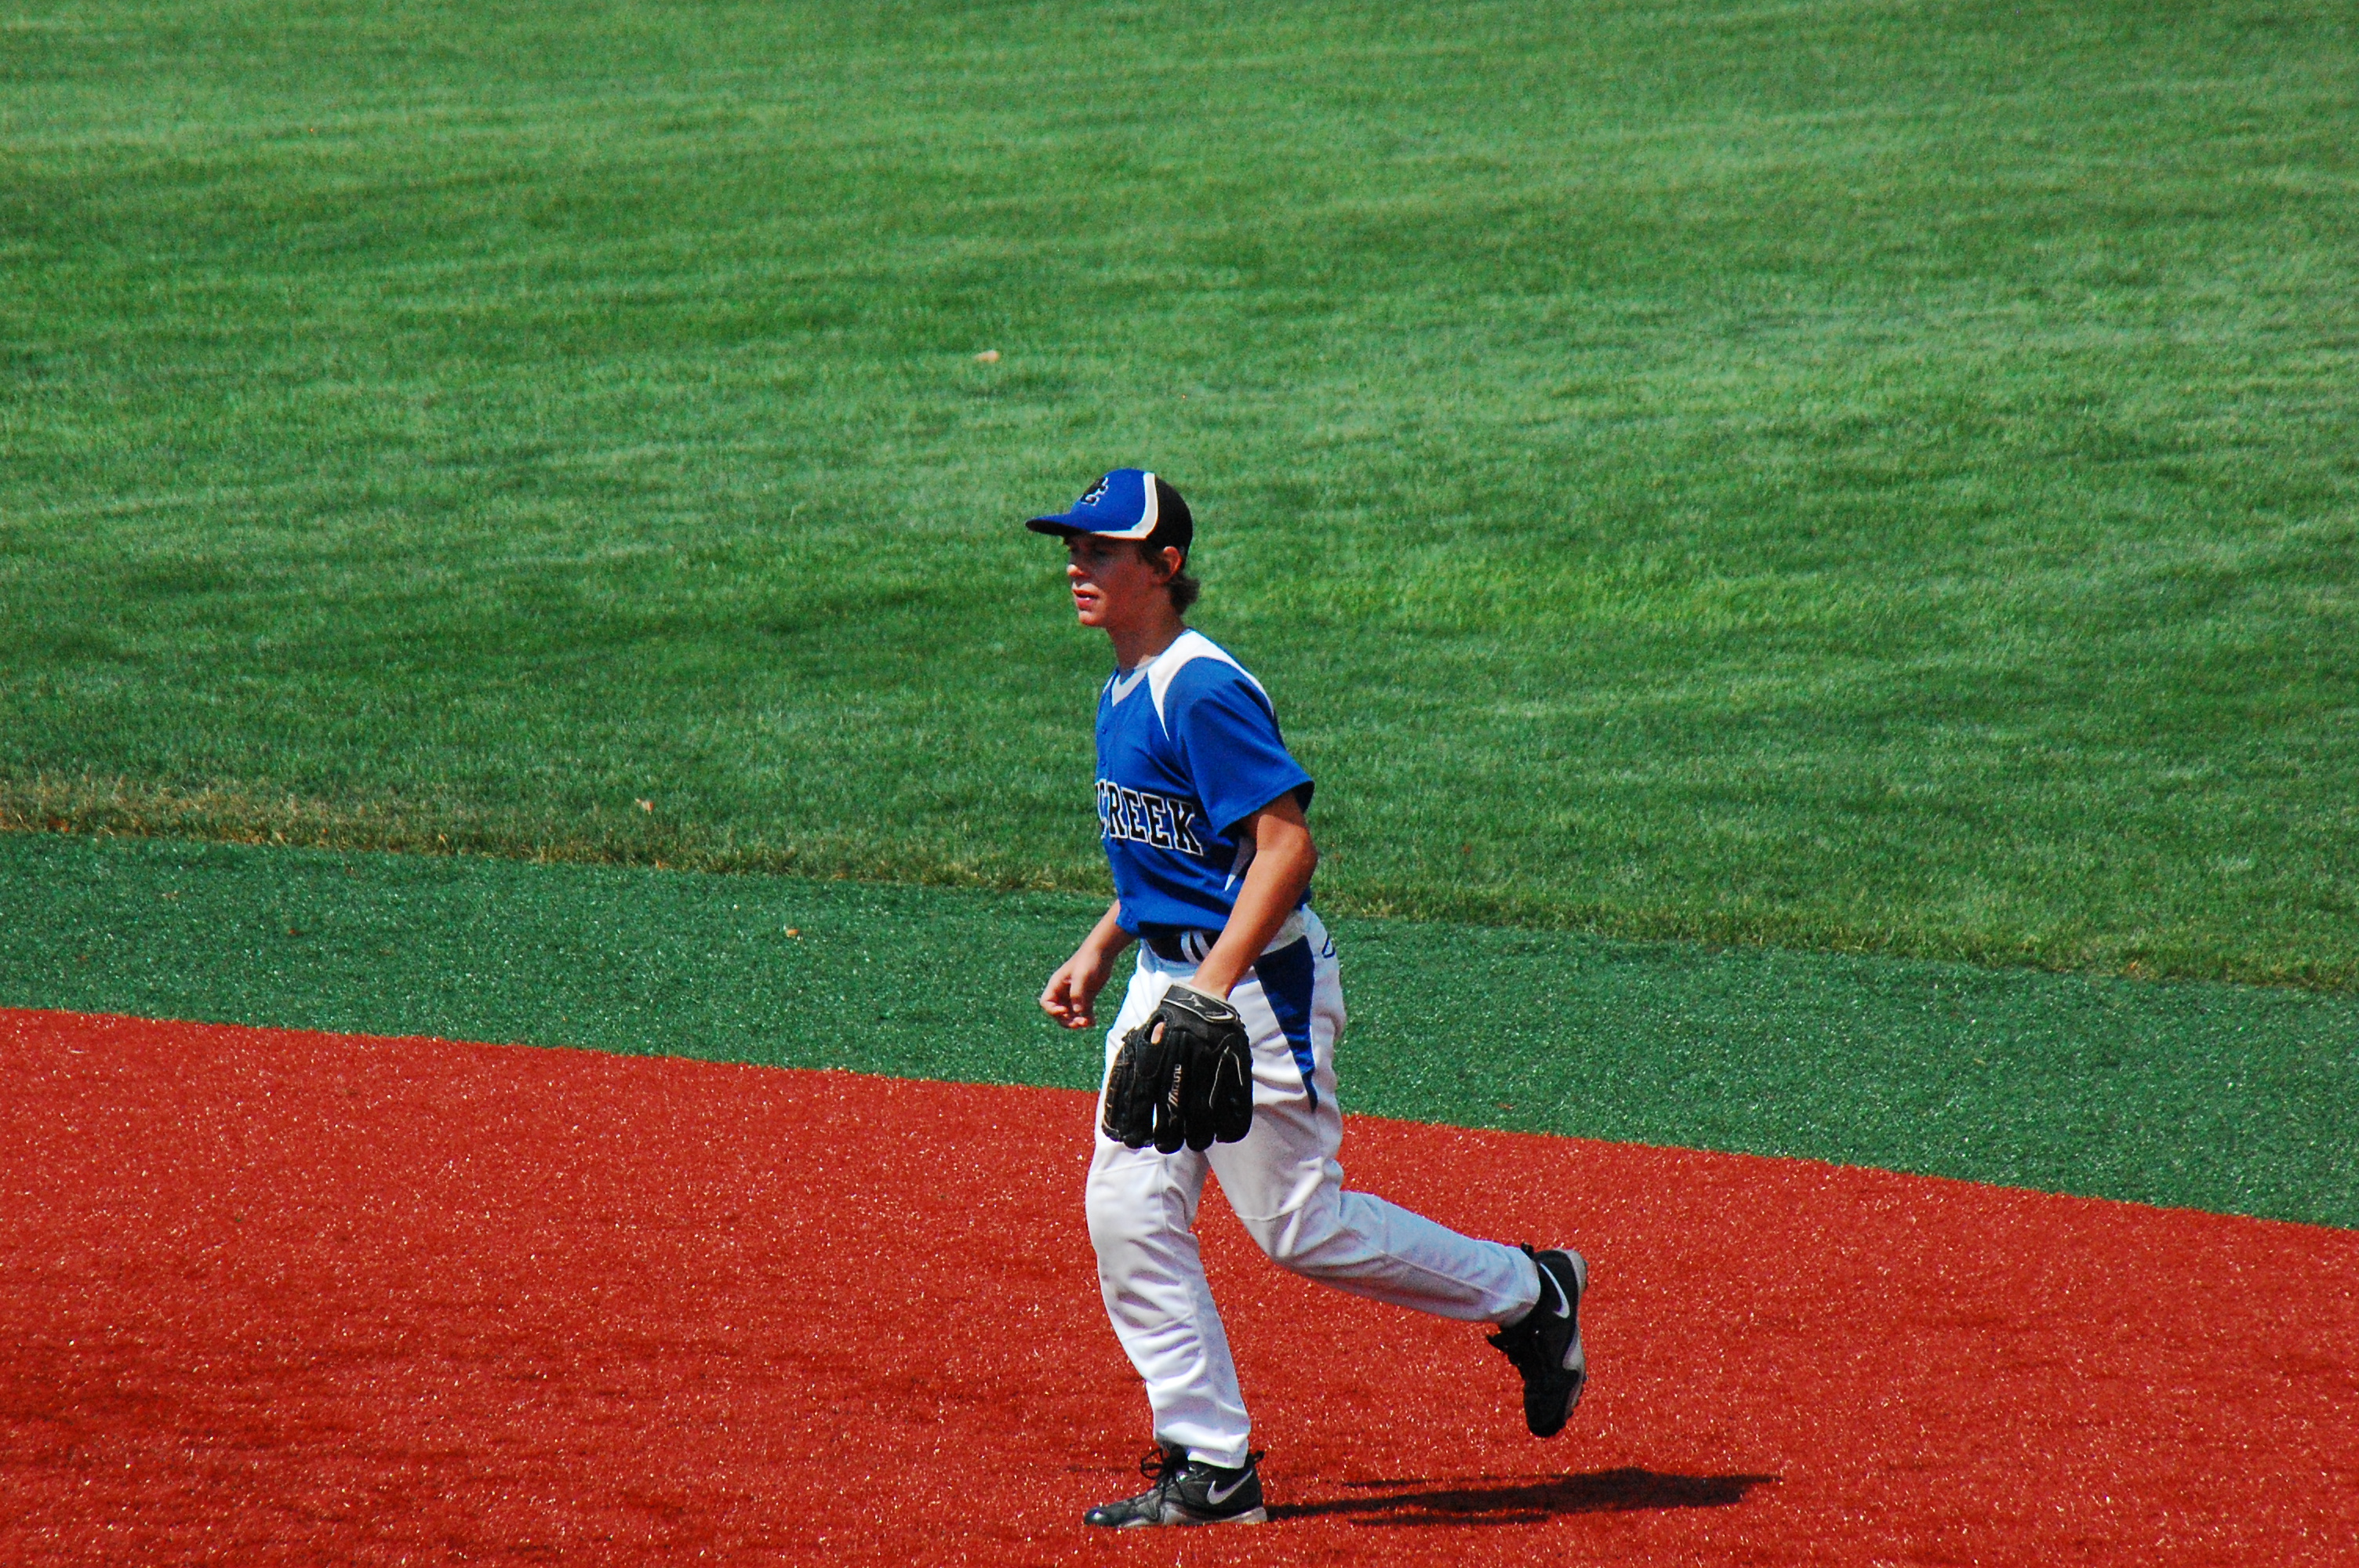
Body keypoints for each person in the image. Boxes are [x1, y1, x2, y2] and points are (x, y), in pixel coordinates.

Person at [1029, 469, 1589, 1530]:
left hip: (1252, 987)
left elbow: (1286, 850)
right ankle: (1211, 1464)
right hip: (1172, 981)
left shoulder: (1200, 689)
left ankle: (1532, 1293)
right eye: (1073, 549)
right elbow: (1180, 853)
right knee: (1127, 1210)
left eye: (1101, 551)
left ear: (1165, 566)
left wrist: (1208, 988)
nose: (1077, 567)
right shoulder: (1123, 685)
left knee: (1298, 1226)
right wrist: (1104, 944)